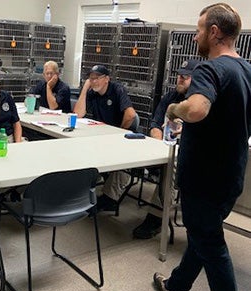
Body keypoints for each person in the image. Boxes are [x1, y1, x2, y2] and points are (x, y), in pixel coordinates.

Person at [153, 3, 251, 291]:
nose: (195, 38)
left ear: (213, 32)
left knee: (211, 245)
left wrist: (174, 109)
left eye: (197, 31)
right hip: (231, 175)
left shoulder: (210, 68)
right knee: (202, 235)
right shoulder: (247, 68)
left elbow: (196, 110)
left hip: (204, 180)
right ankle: (175, 286)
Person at [132, 59, 199, 239]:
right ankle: (110, 196)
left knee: (172, 167)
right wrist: (158, 142)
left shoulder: (198, 103)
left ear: (196, 79)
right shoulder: (170, 98)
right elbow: (155, 123)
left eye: (185, 77)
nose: (180, 80)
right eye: (179, 76)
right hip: (164, 146)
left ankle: (155, 218)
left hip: (189, 157)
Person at [74, 64, 137, 212]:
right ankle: (82, 188)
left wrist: (118, 133)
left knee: (123, 160)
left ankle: (109, 199)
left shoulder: (117, 89)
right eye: (91, 78)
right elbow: (78, 114)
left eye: (97, 78)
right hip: (100, 136)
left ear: (107, 79)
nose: (94, 81)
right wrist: (84, 89)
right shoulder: (92, 93)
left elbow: (131, 114)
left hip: (123, 137)